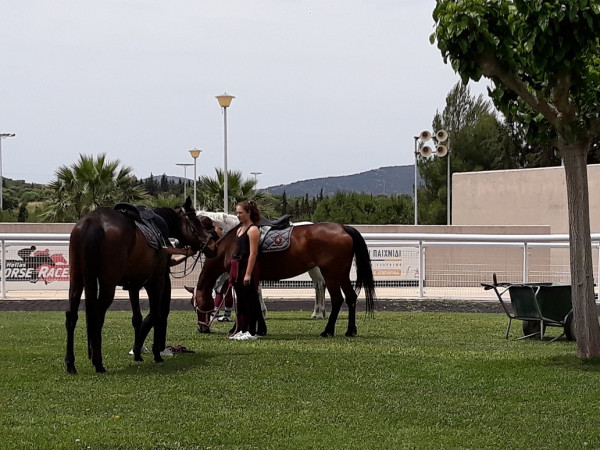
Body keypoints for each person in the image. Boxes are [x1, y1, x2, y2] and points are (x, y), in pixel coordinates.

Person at [229, 200, 267, 340]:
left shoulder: (253, 230)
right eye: (237, 212)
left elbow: (253, 253)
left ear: (248, 212)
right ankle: (242, 329)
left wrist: (248, 274)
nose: (238, 215)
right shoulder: (239, 229)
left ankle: (252, 331)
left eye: (240, 212)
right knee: (241, 301)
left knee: (250, 300)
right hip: (238, 266)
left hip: (247, 266)